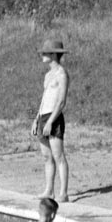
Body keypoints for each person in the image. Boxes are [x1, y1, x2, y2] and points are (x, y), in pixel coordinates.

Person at [32, 37, 70, 202]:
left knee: (58, 155)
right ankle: (49, 190)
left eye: (45, 53)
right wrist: (37, 118)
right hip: (43, 116)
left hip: (53, 117)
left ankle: (63, 192)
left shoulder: (62, 74)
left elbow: (61, 101)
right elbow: (44, 98)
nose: (42, 55)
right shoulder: (48, 75)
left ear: (54, 54)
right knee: (46, 156)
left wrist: (50, 121)